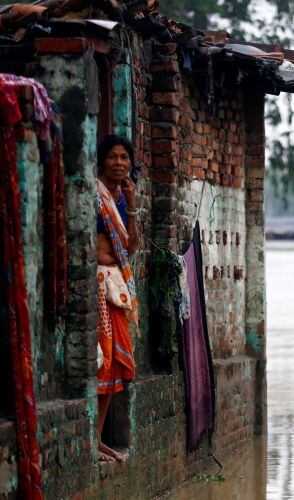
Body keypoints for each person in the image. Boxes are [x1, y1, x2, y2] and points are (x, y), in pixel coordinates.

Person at [95, 135, 139, 463]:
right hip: (97, 285)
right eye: (113, 157)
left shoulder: (122, 199)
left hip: (116, 287)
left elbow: (131, 248)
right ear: (102, 160)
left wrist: (134, 207)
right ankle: (91, 439)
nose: (119, 163)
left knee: (116, 368)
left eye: (125, 157)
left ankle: (97, 439)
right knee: (102, 362)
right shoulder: (94, 195)